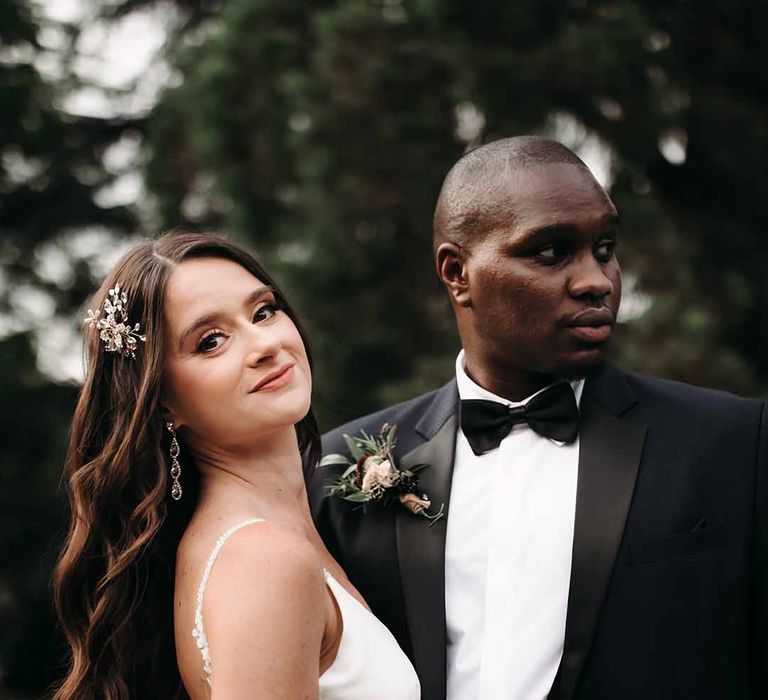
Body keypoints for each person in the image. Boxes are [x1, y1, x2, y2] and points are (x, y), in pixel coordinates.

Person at [308, 137, 768, 700]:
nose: (596, 280)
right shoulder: (344, 467)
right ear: (457, 273)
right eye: (551, 252)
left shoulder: (735, 444)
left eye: (604, 248)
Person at [52, 232, 420, 699]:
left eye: (263, 311)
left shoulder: (284, 538)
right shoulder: (264, 560)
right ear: (163, 404)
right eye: (210, 341)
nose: (264, 343)